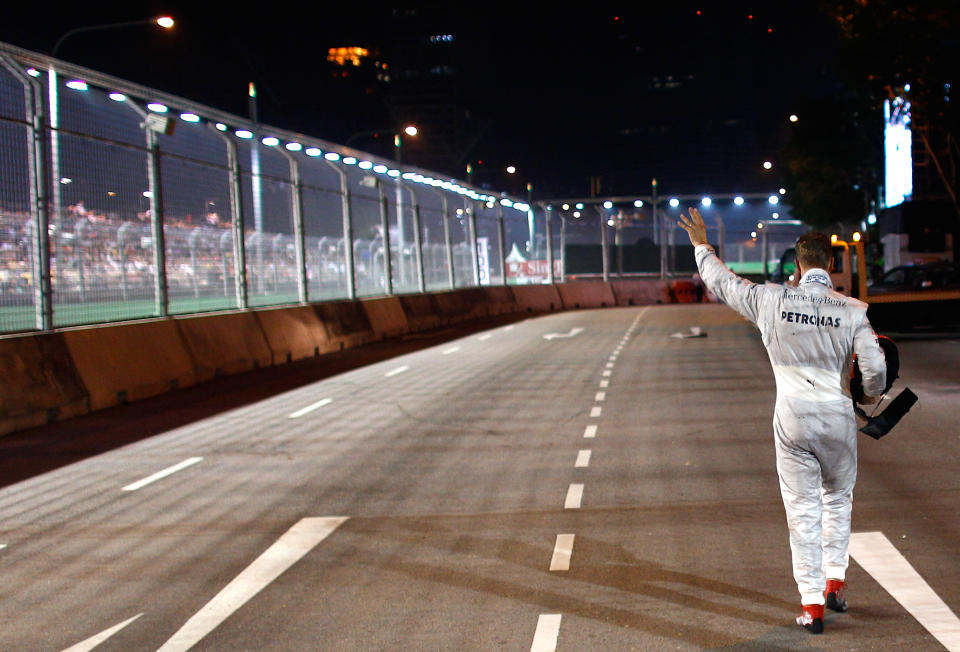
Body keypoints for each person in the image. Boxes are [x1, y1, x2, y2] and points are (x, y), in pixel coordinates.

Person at [677, 208, 886, 634]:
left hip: (792, 418)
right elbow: (876, 368)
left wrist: (702, 245)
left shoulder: (772, 299)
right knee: (837, 500)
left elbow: (723, 284)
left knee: (802, 510)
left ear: (797, 264)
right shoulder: (851, 311)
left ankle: (812, 606)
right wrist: (868, 394)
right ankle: (836, 584)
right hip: (837, 416)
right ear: (830, 264)